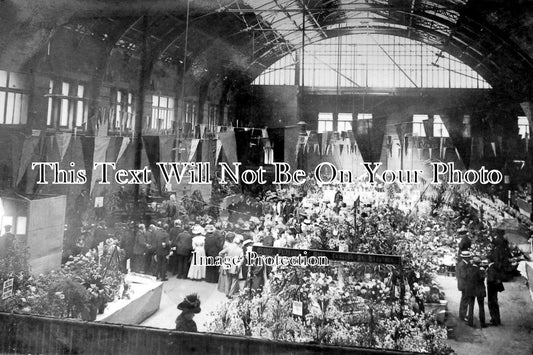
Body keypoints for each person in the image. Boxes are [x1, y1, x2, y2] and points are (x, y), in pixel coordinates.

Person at [486, 256, 503, 326]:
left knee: (491, 303)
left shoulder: (491, 267)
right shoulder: (494, 266)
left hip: (491, 287)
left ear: (489, 260)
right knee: (495, 303)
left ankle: (494, 320)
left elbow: (491, 278)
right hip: (495, 288)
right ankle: (497, 319)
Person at [456, 251, 471, 321]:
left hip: (464, 284)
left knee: (464, 300)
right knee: (464, 300)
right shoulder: (462, 265)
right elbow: (464, 275)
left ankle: (462, 315)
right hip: (464, 285)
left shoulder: (463, 264)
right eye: (468, 257)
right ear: (466, 258)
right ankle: (462, 315)